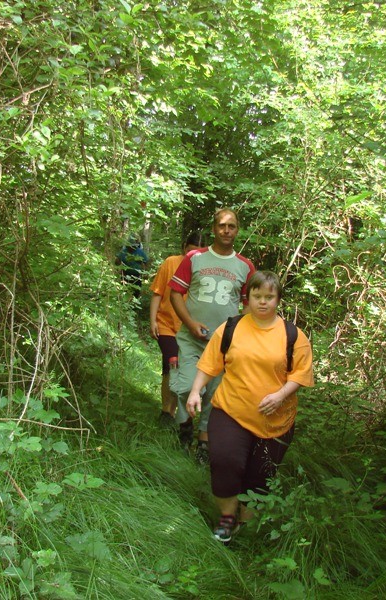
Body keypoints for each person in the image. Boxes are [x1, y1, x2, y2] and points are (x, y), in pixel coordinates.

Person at [186, 271, 313, 544]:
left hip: (275, 420)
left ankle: (247, 524)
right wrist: (196, 390)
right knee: (225, 461)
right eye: (257, 296)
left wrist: (280, 395)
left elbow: (301, 374)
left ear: (278, 299)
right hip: (231, 411)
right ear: (248, 297)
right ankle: (227, 518)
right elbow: (209, 364)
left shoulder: (293, 335)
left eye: (269, 297)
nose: (263, 302)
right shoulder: (230, 329)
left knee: (260, 476)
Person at [168, 208, 255, 463]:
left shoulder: (245, 266)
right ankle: (184, 426)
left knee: (214, 395)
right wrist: (191, 323)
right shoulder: (194, 258)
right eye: (221, 226)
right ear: (214, 229)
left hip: (223, 345)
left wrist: (240, 334)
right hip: (190, 337)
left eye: (232, 226)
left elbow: (248, 303)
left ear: (237, 230)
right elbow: (175, 294)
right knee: (185, 386)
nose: (226, 231)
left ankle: (203, 443)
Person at [149, 231, 208, 428]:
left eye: (198, 252)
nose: (193, 256)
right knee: (171, 364)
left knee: (184, 368)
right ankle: (167, 410)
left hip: (188, 328)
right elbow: (157, 292)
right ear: (184, 248)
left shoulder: (204, 269)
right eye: (190, 251)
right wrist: (152, 320)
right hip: (166, 324)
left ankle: (176, 410)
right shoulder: (171, 263)